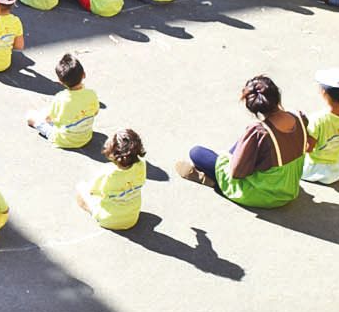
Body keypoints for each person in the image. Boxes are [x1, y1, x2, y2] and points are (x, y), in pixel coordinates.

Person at [174, 75, 305, 209]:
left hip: (264, 194)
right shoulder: (299, 117)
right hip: (289, 189)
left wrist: (229, 160)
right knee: (243, 142)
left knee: (196, 153)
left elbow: (237, 173)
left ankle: (215, 183)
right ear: (277, 94)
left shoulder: (259, 132)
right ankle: (220, 167)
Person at [76, 129, 147, 232]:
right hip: (132, 217)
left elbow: (93, 191)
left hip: (109, 220)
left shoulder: (108, 173)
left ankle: (96, 213)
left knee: (81, 188)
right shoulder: (141, 165)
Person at [27, 53, 99, 148]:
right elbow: (95, 112)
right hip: (86, 137)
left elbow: (48, 119)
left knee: (31, 116)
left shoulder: (60, 98)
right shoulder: (91, 94)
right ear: (84, 75)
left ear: (61, 82)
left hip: (63, 140)